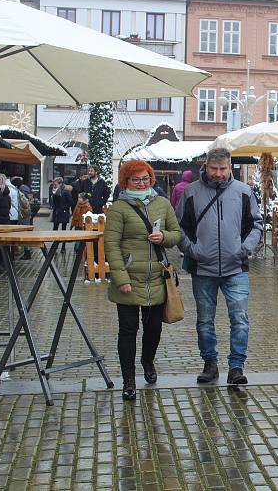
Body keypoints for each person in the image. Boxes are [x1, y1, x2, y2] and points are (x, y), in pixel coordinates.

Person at [176, 148, 263, 385]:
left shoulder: (244, 192)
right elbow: (179, 227)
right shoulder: (191, 192)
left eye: (223, 169)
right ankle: (210, 364)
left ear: (230, 166)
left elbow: (256, 224)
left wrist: (244, 249)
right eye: (214, 169)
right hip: (203, 268)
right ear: (206, 166)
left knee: (240, 318)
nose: (218, 174)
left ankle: (236, 366)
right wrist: (192, 250)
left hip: (236, 267)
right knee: (205, 320)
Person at [105, 160, 181, 400]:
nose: (141, 183)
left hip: (156, 277)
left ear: (151, 179)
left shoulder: (163, 204)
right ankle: (128, 380)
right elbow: (111, 245)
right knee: (128, 331)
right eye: (136, 179)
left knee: (154, 329)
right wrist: (120, 277)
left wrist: (164, 237)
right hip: (129, 278)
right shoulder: (119, 208)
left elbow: (176, 234)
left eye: (145, 178)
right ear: (126, 181)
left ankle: (147, 361)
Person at [11, 177, 33, 260]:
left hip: (23, 215)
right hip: (26, 214)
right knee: (26, 233)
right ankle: (27, 252)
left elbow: (21, 203)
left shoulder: (21, 190)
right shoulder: (25, 188)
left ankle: (27, 252)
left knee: (24, 233)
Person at [50, 178, 72, 252]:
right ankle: (55, 246)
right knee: (55, 229)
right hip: (56, 212)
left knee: (63, 230)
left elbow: (71, 202)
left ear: (60, 184)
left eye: (55, 184)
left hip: (63, 212)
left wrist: (64, 208)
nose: (54, 185)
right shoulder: (54, 191)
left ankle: (63, 247)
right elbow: (53, 201)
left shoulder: (66, 191)